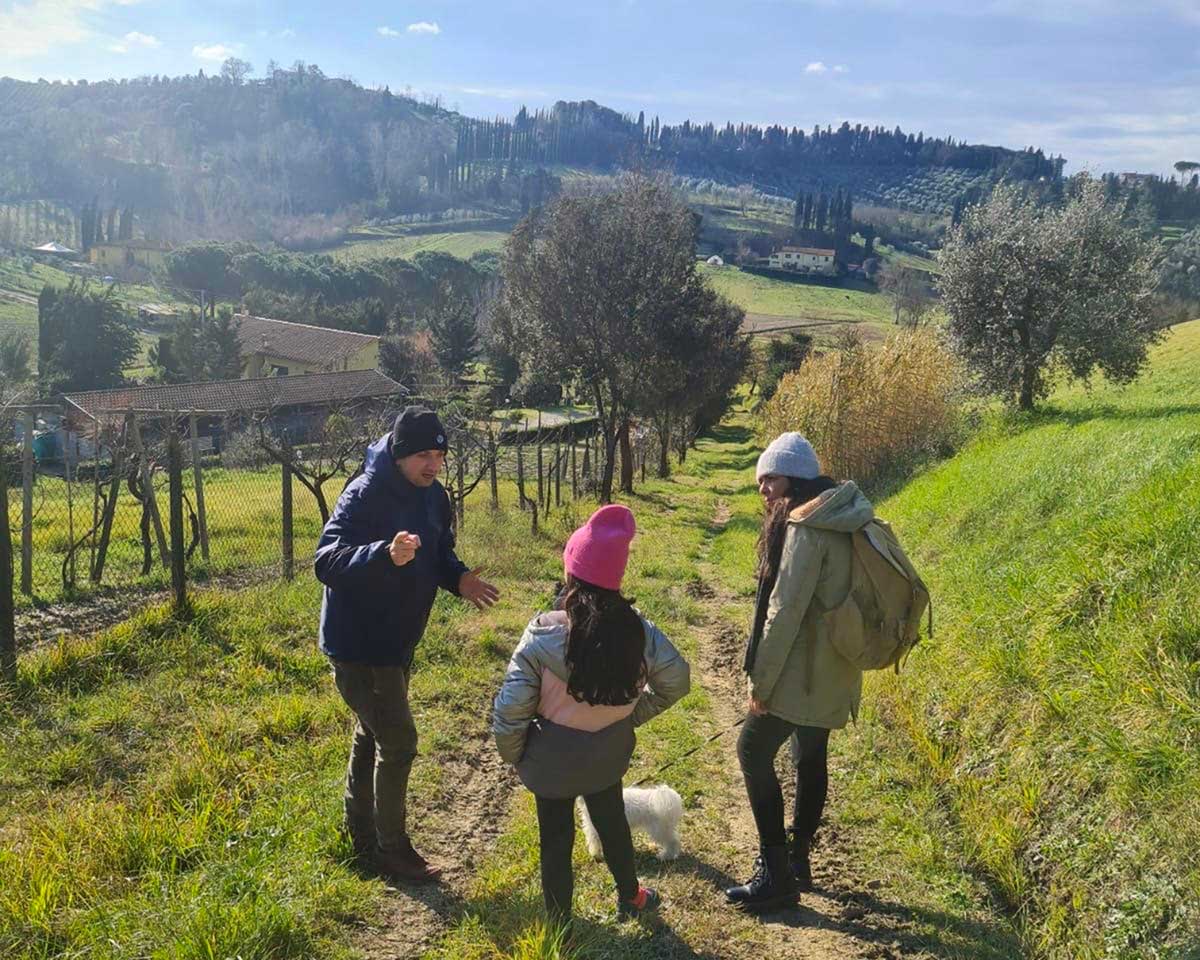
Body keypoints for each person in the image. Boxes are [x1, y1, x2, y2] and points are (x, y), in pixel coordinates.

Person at [316, 405, 500, 884]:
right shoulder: (364, 494)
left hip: (397, 643)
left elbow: (439, 553)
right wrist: (383, 552)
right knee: (399, 744)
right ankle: (391, 851)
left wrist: (458, 578)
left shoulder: (434, 497)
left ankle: (359, 836)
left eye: (439, 453)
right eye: (423, 454)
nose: (434, 463)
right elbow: (326, 561)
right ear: (399, 454)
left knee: (371, 734)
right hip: (360, 644)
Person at [492, 504, 690, 923]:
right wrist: (631, 714)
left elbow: (511, 710)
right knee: (612, 823)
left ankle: (560, 920)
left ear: (571, 575)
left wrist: (516, 754)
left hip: (551, 761)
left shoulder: (542, 635)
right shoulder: (640, 631)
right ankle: (631, 895)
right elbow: (678, 680)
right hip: (607, 756)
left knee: (556, 839)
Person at [725, 432, 875, 912]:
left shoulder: (806, 527)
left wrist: (761, 682)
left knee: (751, 749)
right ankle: (798, 858)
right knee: (810, 756)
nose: (762, 490)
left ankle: (776, 875)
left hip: (803, 669)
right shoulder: (844, 516)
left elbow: (784, 611)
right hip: (836, 666)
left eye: (768, 478)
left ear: (792, 475)